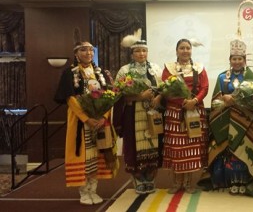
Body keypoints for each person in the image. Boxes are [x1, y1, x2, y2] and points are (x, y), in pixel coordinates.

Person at [198, 39, 253, 197]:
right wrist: (224, 100)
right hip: (228, 120)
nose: (237, 62)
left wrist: (235, 100)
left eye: (240, 59)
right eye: (234, 59)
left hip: (247, 121)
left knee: (244, 149)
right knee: (229, 152)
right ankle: (231, 181)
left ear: (244, 60)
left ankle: (246, 180)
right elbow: (216, 99)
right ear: (230, 60)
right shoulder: (222, 77)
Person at [54, 41, 119, 205]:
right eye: (83, 50)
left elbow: (110, 96)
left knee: (98, 154)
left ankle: (93, 189)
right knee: (84, 155)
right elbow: (70, 98)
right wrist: (87, 118)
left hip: (100, 121)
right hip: (81, 122)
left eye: (90, 50)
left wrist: (103, 116)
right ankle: (83, 191)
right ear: (76, 53)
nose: (88, 53)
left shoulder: (101, 73)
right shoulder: (70, 73)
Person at [113, 38, 163, 194]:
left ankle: (150, 177)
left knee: (154, 143)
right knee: (134, 145)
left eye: (144, 51)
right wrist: (139, 97)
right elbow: (118, 95)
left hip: (154, 111)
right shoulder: (125, 70)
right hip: (133, 113)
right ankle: (138, 178)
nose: (141, 54)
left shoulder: (156, 69)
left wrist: (157, 98)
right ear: (132, 53)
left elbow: (164, 89)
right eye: (138, 51)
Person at [161, 38, 209, 194]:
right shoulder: (169, 68)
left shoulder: (199, 67)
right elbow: (166, 88)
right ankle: (176, 183)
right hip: (175, 112)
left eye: (188, 48)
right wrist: (183, 102)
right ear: (176, 51)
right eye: (182, 48)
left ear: (191, 50)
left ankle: (188, 183)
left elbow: (205, 87)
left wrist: (194, 100)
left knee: (191, 147)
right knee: (177, 147)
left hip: (195, 111)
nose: (185, 51)